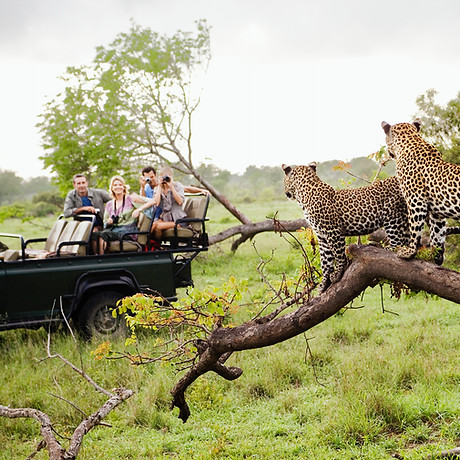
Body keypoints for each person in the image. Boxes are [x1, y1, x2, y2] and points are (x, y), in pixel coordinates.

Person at [91, 175, 147, 255]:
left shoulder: (130, 199)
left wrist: (139, 209)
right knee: (94, 234)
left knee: (104, 234)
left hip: (128, 232)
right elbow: (105, 223)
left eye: (120, 185)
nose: (118, 187)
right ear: (112, 188)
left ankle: (102, 258)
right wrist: (109, 222)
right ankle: (95, 255)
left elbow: (152, 202)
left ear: (124, 187)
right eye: (115, 185)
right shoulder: (109, 204)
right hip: (115, 230)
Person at [133, 167, 188, 245]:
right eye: (163, 177)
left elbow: (180, 202)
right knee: (152, 225)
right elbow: (157, 203)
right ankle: (145, 245)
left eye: (167, 177)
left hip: (178, 220)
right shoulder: (158, 188)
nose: (165, 179)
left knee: (158, 226)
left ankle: (156, 246)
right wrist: (159, 186)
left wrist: (171, 186)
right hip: (166, 218)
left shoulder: (177, 186)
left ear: (171, 176)